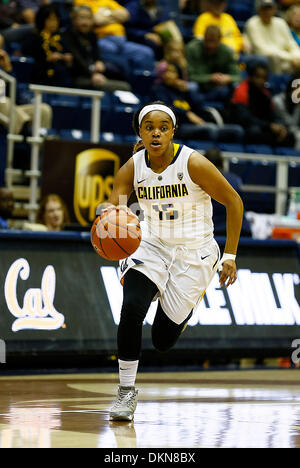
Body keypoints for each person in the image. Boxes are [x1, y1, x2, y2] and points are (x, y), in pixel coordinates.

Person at [95, 101, 244, 421]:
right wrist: (109, 220)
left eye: (163, 127)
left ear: (173, 131)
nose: (156, 132)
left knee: (162, 340)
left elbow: (234, 201)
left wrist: (230, 255)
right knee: (132, 307)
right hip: (152, 244)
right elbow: (115, 210)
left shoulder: (193, 163)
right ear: (140, 132)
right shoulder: (133, 167)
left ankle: (180, 309)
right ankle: (125, 391)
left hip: (194, 253)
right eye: (149, 127)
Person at [74, 0, 156, 78]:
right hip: (102, 40)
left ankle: (143, 84)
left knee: (146, 53)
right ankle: (130, 82)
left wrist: (105, 14)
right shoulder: (81, 1)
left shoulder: (107, 1)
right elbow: (97, 19)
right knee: (115, 53)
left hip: (122, 41)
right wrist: (114, 16)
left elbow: (125, 15)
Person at [62, 5, 131, 91]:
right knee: (124, 87)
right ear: (73, 19)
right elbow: (77, 60)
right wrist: (92, 74)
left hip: (93, 74)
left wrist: (99, 63)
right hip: (77, 76)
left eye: (89, 18)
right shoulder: (67, 35)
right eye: (82, 18)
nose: (85, 22)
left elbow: (97, 57)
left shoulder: (92, 36)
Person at [229, 62, 295, 146]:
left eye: (264, 78)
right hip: (246, 127)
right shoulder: (241, 91)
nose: (261, 81)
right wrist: (269, 126)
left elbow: (272, 115)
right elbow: (245, 119)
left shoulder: (265, 94)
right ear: (251, 77)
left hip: (263, 126)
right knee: (254, 132)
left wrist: (280, 127)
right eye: (258, 77)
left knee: (289, 135)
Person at [0, 47, 52, 135]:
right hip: (4, 106)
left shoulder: (3, 70)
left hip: (12, 110)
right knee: (4, 101)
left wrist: (8, 69)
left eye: (1, 47)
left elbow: (16, 97)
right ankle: (26, 129)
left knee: (44, 110)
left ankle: (41, 144)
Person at [186, 25, 241, 104]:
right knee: (192, 86)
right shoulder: (192, 49)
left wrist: (228, 78)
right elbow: (190, 76)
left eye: (213, 42)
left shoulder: (227, 52)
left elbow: (238, 77)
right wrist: (210, 77)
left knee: (236, 86)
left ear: (219, 40)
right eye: (208, 41)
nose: (210, 45)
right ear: (204, 38)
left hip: (219, 89)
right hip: (199, 88)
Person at [21, 4, 73, 87]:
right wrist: (47, 59)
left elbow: (69, 56)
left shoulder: (62, 37)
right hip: (40, 77)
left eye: (55, 20)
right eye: (50, 19)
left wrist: (68, 59)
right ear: (42, 20)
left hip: (62, 77)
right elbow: (29, 61)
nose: (53, 23)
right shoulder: (33, 37)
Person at [204, 147, 252, 236]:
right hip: (240, 231)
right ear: (222, 161)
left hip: (213, 231)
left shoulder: (199, 180)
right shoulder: (235, 179)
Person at [245, 0, 300, 74]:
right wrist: (290, 58)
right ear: (259, 10)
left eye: (269, 8)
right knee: (273, 57)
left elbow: (291, 44)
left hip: (287, 61)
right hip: (266, 60)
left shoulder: (280, 22)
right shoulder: (252, 23)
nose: (267, 12)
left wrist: (296, 56)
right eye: (264, 8)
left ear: (274, 10)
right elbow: (262, 49)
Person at [272, 76, 300, 149]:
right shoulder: (277, 101)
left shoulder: (297, 104)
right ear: (290, 90)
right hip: (279, 131)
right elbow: (287, 122)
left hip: (293, 131)